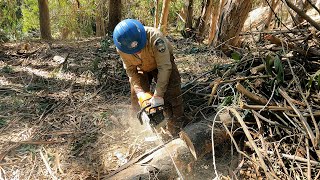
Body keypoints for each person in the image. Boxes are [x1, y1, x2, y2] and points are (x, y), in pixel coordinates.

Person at [112, 19, 188, 136]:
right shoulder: (122, 48)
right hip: (141, 67)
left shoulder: (156, 38)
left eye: (139, 48)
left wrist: (158, 95)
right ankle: (138, 126)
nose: (138, 52)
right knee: (136, 96)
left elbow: (164, 67)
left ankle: (176, 127)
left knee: (172, 92)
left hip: (162, 63)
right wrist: (140, 93)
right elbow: (131, 71)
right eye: (134, 51)